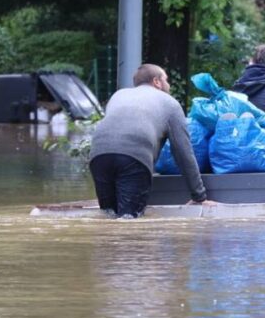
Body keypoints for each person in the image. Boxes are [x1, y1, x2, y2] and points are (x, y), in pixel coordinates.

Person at [89, 64, 211, 218]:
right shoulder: (170, 103)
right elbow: (183, 152)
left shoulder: (118, 95)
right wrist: (199, 196)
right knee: (129, 219)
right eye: (166, 80)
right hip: (134, 156)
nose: (169, 85)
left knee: (108, 215)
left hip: (98, 154)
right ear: (156, 82)